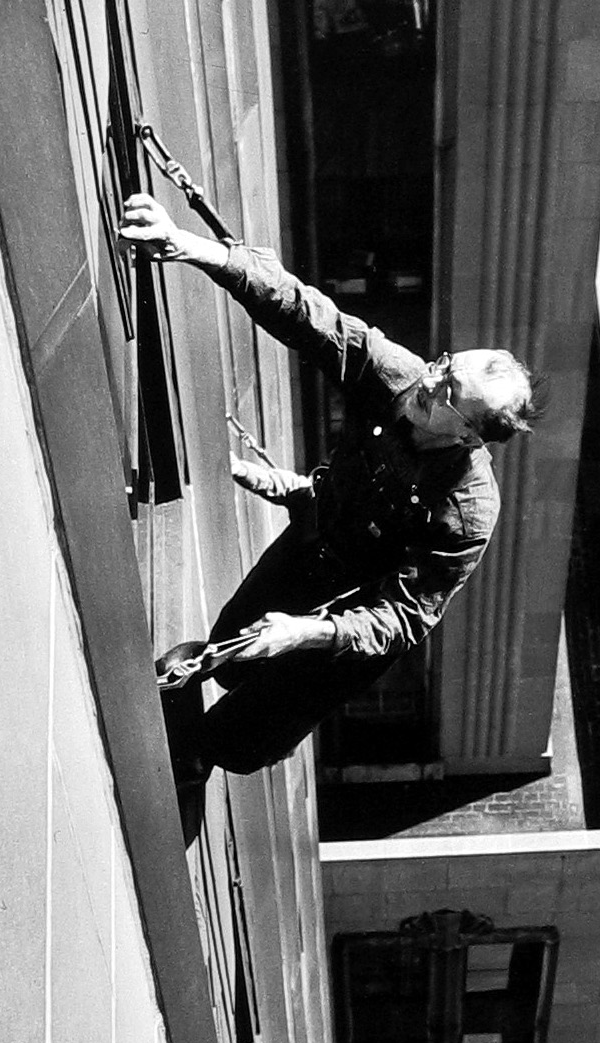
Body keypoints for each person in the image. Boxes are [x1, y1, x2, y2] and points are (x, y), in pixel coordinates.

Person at [116, 193, 538, 828]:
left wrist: (305, 632)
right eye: (445, 364)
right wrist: (187, 245)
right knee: (236, 644)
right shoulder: (403, 377)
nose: (429, 381)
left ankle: (201, 756)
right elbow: (309, 315)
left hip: (345, 624)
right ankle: (209, 677)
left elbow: (404, 616)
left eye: (448, 392)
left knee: (247, 736)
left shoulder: (468, 510)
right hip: (315, 544)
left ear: (474, 434)